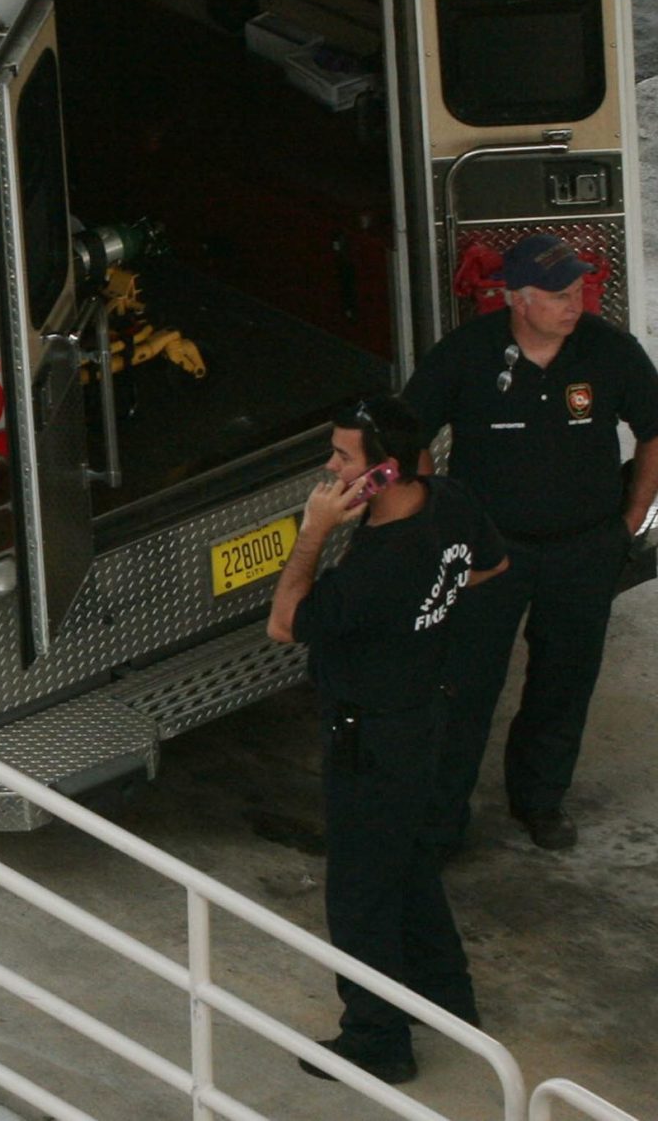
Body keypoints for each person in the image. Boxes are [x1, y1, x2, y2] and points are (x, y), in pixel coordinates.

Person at [268, 395, 507, 1084]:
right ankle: (445, 994)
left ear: (384, 472)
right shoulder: (451, 500)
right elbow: (490, 567)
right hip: (421, 717)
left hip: (369, 737)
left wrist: (313, 531)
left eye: (343, 457)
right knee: (405, 861)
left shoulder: (377, 566)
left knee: (361, 890)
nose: (330, 467)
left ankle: (377, 1037)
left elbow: (285, 621)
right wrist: (432, 613)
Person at [404, 233, 658, 852]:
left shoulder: (608, 351)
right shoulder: (465, 355)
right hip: (489, 556)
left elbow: (655, 430)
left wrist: (630, 521)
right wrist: (433, 521)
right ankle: (439, 824)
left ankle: (540, 801)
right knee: (463, 689)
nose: (574, 304)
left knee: (565, 683)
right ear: (516, 300)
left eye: (577, 291)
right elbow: (407, 433)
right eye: (557, 295)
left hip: (584, 551)